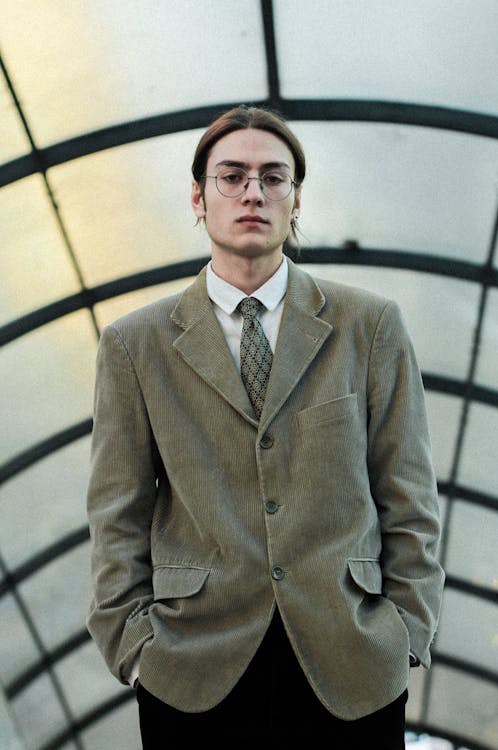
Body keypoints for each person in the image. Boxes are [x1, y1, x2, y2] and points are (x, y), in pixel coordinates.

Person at [87, 105, 445, 748]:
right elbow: (118, 514)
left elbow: (409, 496)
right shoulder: (133, 346)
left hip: (350, 666)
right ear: (198, 197)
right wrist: (136, 649)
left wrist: (407, 635)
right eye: (232, 175)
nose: (253, 191)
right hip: (192, 669)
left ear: (295, 201)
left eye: (273, 177)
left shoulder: (370, 326)